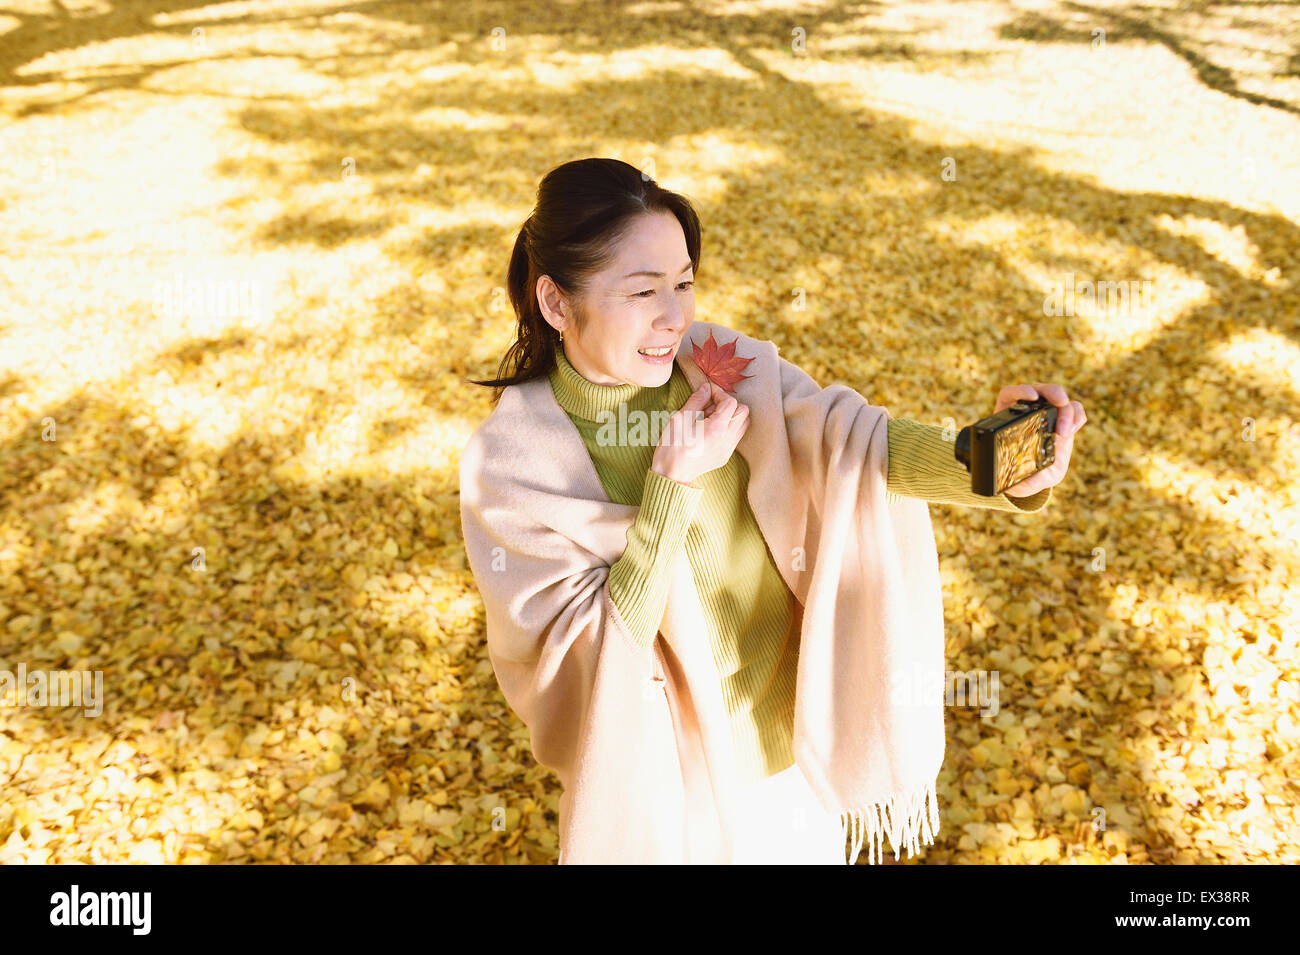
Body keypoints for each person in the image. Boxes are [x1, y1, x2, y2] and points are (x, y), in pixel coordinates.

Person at [460, 158, 1087, 864]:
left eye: (685, 282)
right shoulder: (512, 460)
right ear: (555, 302)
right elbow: (585, 662)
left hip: (794, 764)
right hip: (664, 794)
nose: (676, 317)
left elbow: (850, 439)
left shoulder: (716, 364)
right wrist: (671, 485)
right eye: (642, 291)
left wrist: (994, 463)